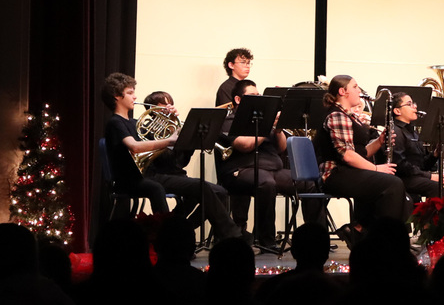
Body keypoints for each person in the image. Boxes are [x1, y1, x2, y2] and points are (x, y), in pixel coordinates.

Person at [101, 74, 243, 242]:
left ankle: (180, 232)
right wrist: (168, 141)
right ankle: (227, 236)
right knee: (172, 188)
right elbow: (135, 146)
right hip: (133, 178)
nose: (135, 97)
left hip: (150, 174)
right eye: (130, 93)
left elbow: (170, 153)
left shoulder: (133, 122)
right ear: (117, 96)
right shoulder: (115, 123)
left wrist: (173, 121)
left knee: (205, 188)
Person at [219, 79, 320, 247]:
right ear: (238, 99)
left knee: (310, 183)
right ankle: (266, 240)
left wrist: (278, 130)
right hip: (242, 169)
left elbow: (281, 148)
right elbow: (244, 145)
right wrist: (267, 127)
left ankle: (315, 238)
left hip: (273, 168)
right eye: (253, 95)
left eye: (258, 95)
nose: (258, 98)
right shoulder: (230, 120)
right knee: (266, 183)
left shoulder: (262, 119)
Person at [313, 75, 405, 233]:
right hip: (336, 174)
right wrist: (376, 169)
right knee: (392, 184)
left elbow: (361, 153)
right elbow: (347, 155)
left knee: (392, 185)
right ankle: (382, 237)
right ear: (342, 91)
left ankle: (360, 230)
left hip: (348, 171)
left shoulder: (349, 116)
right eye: (355, 87)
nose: (359, 91)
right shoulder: (337, 116)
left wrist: (379, 142)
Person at [389, 91, 444, 209]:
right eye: (409, 104)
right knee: (437, 187)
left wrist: (435, 154)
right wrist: (429, 176)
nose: (415, 106)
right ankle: (431, 220)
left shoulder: (413, 132)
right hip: (404, 178)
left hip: (417, 176)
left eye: (414, 103)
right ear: (397, 111)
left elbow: (422, 164)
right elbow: (401, 165)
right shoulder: (395, 131)